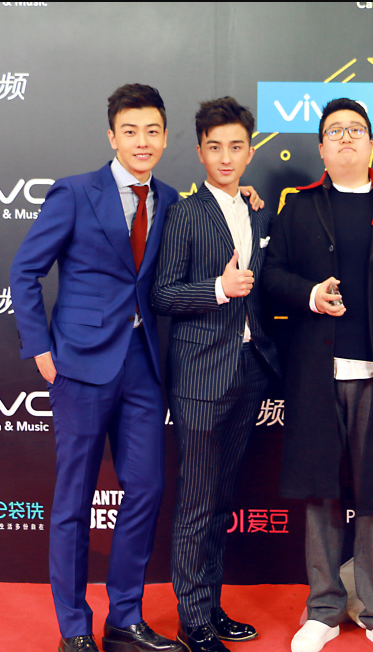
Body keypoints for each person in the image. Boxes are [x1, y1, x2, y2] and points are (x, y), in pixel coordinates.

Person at [262, 97, 373, 652]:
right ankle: (323, 609)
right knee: (319, 491)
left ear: (370, 144)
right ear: (321, 147)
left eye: (355, 130)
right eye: (334, 131)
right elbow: (271, 277)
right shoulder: (299, 208)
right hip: (316, 373)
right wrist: (310, 294)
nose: (345, 138)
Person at [9, 84, 182, 652]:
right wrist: (40, 347)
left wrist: (244, 198)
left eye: (152, 131)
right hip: (79, 364)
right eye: (130, 131)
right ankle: (74, 628)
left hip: (143, 364)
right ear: (112, 137)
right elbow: (25, 271)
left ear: (164, 138)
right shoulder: (75, 192)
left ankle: (125, 619)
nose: (141, 141)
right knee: (73, 499)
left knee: (146, 489)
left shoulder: (171, 200)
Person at [150, 97, 279, 652]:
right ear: (200, 151)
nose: (225, 157)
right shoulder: (184, 213)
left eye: (236, 147)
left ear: (250, 152)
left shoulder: (258, 211)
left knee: (222, 500)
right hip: (201, 375)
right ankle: (192, 620)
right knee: (198, 502)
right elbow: (162, 294)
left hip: (250, 370)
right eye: (214, 147)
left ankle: (210, 606)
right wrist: (219, 289)